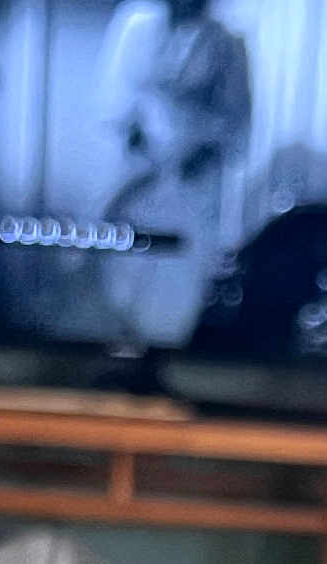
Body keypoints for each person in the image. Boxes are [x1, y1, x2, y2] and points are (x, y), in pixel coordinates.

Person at [91, 0, 251, 345]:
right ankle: (122, 339)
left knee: (180, 267)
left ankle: (167, 342)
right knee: (125, 255)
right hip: (138, 169)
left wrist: (197, 154)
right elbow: (114, 96)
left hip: (195, 177)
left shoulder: (226, 42)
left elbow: (237, 119)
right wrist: (139, 144)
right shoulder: (135, 22)